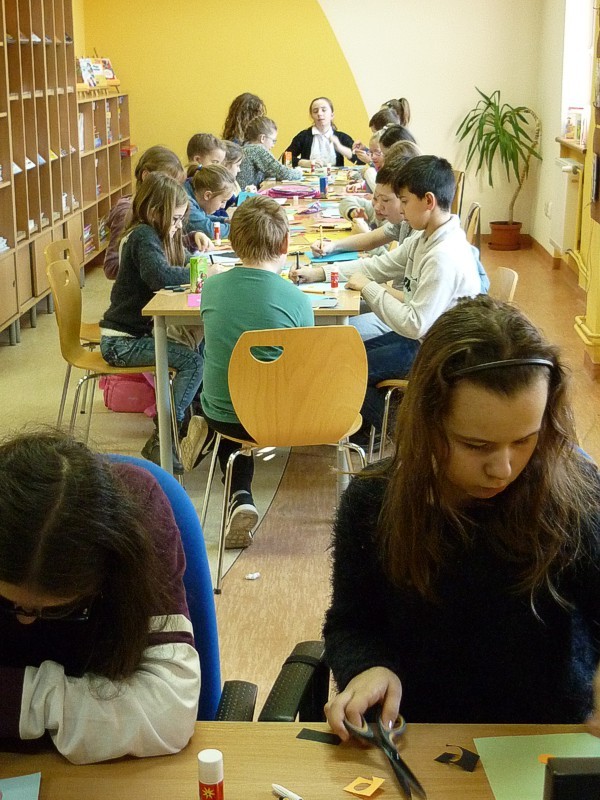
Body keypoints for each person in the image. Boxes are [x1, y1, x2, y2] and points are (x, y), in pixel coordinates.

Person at [323, 295, 600, 737]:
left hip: (548, 736)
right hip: (419, 737)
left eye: (525, 440)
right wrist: (367, 668)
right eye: (477, 445)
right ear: (428, 423)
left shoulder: (577, 496)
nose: (503, 468)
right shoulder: (373, 502)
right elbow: (352, 622)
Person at [0, 429, 200, 763]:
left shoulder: (138, 514)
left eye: (57, 610)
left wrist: (31, 700)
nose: (24, 620)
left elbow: (169, 708)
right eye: (8, 603)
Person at [182, 196, 313, 547]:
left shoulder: (212, 288)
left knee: (228, 397)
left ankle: (238, 492)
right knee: (251, 397)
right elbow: (304, 361)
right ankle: (237, 491)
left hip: (224, 412)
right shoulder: (298, 299)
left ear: (233, 242)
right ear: (285, 245)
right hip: (283, 416)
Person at [100, 173, 204, 469]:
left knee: (197, 344)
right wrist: (202, 273)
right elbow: (159, 276)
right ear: (155, 211)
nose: (178, 226)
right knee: (193, 362)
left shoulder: (148, 234)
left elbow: (170, 261)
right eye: (175, 219)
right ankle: (165, 433)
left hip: (132, 337)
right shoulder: (143, 235)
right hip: (122, 343)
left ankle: (187, 421)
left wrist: (190, 245)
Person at [103, 146, 190, 280]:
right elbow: (111, 266)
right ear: (147, 176)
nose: (173, 191)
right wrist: (142, 260)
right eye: (167, 182)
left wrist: (192, 238)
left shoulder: (157, 221)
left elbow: (163, 245)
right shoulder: (130, 217)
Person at [285, 97, 357, 168]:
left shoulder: (342, 137)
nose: (319, 114)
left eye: (324, 110)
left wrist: (340, 147)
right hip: (309, 175)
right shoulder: (303, 136)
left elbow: (360, 160)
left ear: (332, 115)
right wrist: (303, 162)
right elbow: (285, 159)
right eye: (315, 111)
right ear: (312, 116)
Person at [237, 117, 302, 190]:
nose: (273, 145)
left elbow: (273, 172)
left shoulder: (246, 148)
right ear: (262, 138)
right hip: (246, 196)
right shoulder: (256, 150)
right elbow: (283, 173)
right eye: (273, 141)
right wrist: (299, 172)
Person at [184, 164, 236, 239]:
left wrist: (224, 220)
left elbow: (202, 217)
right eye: (223, 201)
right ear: (208, 195)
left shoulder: (192, 191)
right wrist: (238, 229)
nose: (223, 206)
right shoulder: (186, 203)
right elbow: (209, 231)